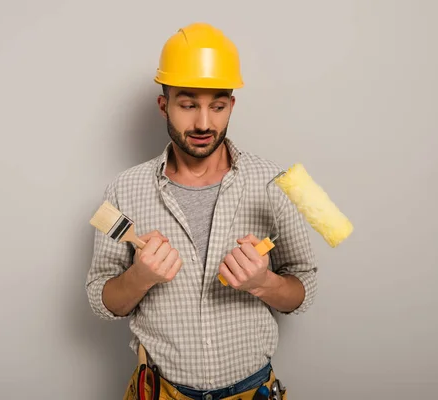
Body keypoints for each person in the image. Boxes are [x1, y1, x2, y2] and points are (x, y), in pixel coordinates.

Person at [86, 22, 318, 400]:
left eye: (218, 105)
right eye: (188, 103)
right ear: (164, 105)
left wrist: (264, 283)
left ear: (232, 105)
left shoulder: (274, 182)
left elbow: (303, 289)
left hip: (253, 391)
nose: (203, 123)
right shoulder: (124, 190)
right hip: (160, 392)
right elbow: (101, 299)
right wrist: (140, 277)